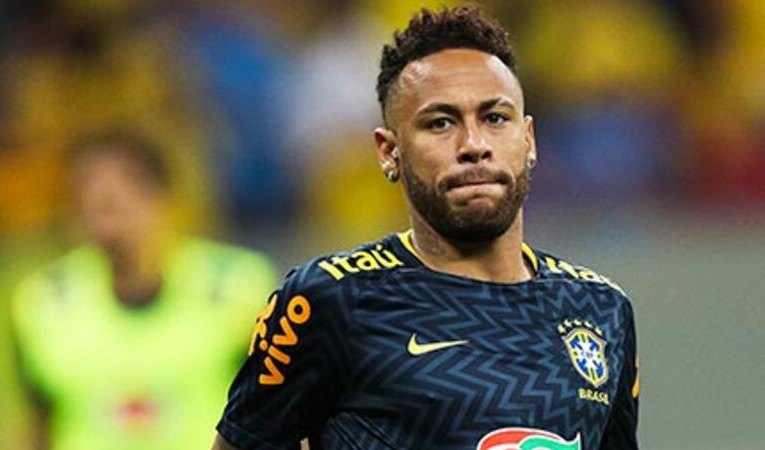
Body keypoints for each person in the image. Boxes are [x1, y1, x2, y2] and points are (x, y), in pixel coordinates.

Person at [212, 5, 639, 450]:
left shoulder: (601, 309)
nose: (474, 145)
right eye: (440, 123)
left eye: (495, 118)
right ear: (388, 152)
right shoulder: (333, 300)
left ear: (528, 139)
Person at [12, 129, 277, 450]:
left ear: (164, 199)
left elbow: (279, 414)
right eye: (90, 195)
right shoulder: (44, 303)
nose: (106, 202)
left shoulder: (237, 288)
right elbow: (36, 424)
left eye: (124, 192)